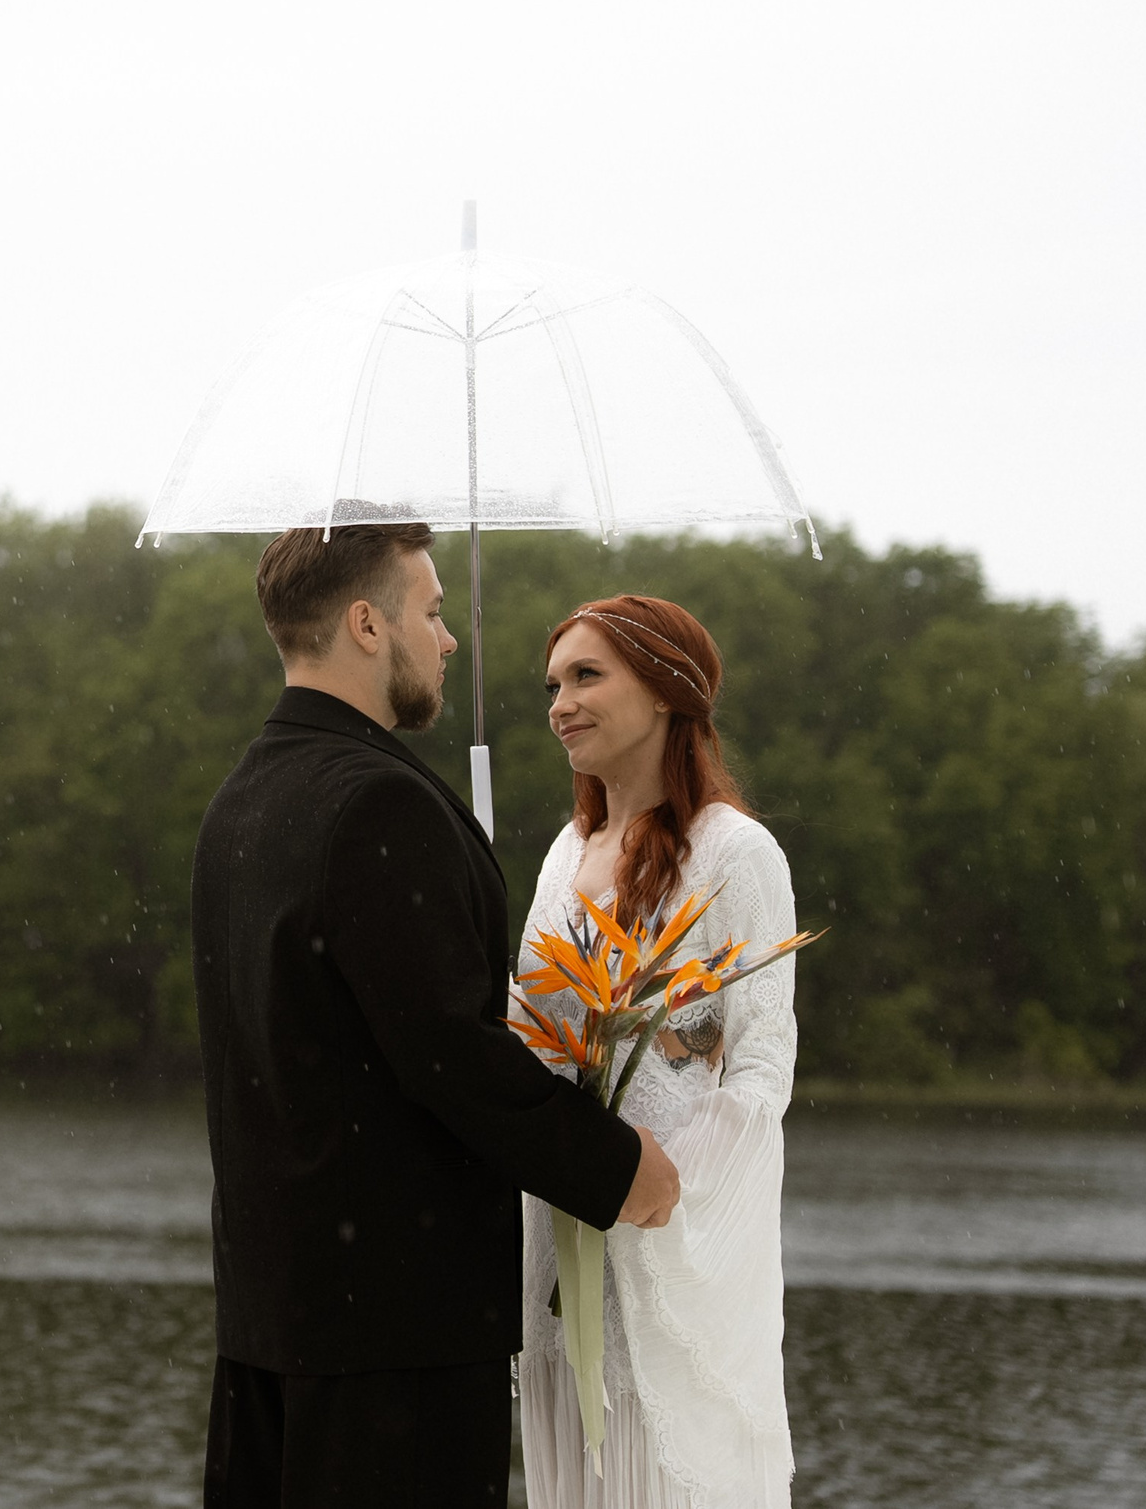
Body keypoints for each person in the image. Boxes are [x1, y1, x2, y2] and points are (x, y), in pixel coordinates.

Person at [193, 524, 680, 1509]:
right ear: (366, 625)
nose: (448, 639)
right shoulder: (378, 802)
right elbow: (446, 1056)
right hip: (390, 1336)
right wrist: (615, 1166)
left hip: (271, 1319)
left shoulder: (242, 799)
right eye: (430, 610)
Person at [516, 596, 800, 1509]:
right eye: (553, 683)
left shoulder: (735, 853)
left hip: (671, 1245)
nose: (560, 701)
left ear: (668, 691)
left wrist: (660, 1185)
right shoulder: (565, 852)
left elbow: (761, 1069)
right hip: (560, 1233)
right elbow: (525, 1038)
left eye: (586, 676)